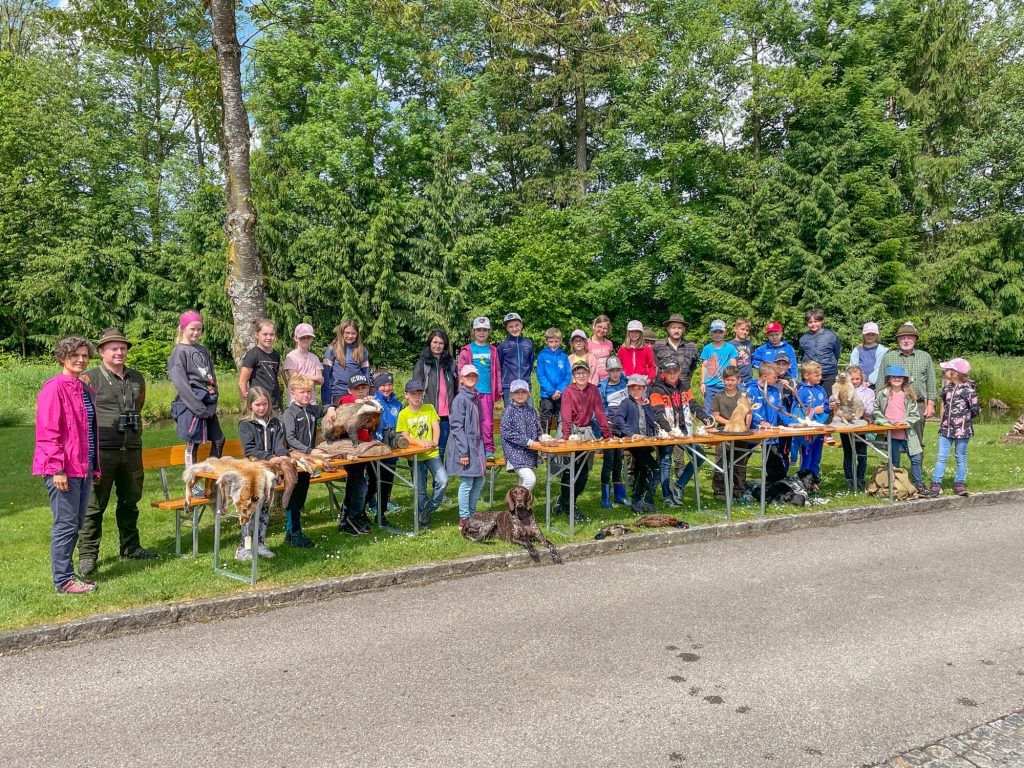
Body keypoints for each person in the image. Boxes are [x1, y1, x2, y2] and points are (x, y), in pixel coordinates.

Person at [77, 328, 155, 577]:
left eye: (122, 348)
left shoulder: (136, 378)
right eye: (113, 348)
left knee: (130, 502)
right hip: (102, 451)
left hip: (131, 449)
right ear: (101, 352)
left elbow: (139, 405)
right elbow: (81, 415)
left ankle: (131, 547)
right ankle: (88, 555)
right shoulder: (89, 379)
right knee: (94, 506)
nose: (119, 352)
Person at [33, 335, 100, 594]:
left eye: (85, 355)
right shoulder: (54, 388)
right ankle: (63, 581)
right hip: (63, 470)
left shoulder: (82, 387)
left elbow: (87, 433)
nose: (81, 360)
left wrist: (93, 468)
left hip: (82, 468)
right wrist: (56, 468)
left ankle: (68, 575)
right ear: (63, 357)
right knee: (65, 524)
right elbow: (48, 431)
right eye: (76, 355)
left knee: (76, 522)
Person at [168, 311, 224, 478]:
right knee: (193, 444)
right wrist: (198, 408)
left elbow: (211, 376)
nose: (195, 333)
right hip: (192, 405)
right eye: (192, 329)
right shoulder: (179, 352)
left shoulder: (202, 350)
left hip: (208, 402)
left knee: (219, 440)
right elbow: (181, 384)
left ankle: (210, 475)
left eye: (199, 329)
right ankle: (192, 481)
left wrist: (214, 398)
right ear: (183, 329)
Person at [649, 359, 712, 506]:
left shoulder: (684, 386)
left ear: (678, 371)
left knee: (700, 455)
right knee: (665, 462)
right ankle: (667, 496)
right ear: (663, 373)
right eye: (668, 372)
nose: (672, 375)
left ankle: (678, 486)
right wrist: (670, 430)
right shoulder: (656, 389)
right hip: (666, 431)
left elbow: (693, 405)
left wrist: (706, 419)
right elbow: (658, 413)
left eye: (674, 372)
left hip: (684, 430)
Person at [556, 360, 612, 520]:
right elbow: (566, 416)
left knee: (584, 473)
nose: (581, 375)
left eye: (584, 372)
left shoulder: (593, 390)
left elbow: (600, 413)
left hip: (586, 432)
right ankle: (569, 506)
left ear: (589, 374)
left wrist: (607, 434)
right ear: (573, 375)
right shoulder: (568, 391)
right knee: (569, 470)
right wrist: (565, 437)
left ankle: (565, 501)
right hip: (570, 430)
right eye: (578, 373)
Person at [281, 374, 332, 546]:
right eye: (302, 392)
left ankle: (291, 534)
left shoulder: (310, 410)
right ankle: (295, 533)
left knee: (301, 496)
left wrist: (331, 409)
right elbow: (291, 438)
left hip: (308, 461)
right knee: (294, 497)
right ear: (293, 393)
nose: (306, 396)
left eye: (309, 392)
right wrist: (310, 450)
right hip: (295, 460)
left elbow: (325, 408)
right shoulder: (289, 413)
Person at [236, 386, 287, 560]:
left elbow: (280, 444)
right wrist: (268, 457)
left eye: (265, 404)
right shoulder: (245, 424)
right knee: (250, 508)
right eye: (257, 405)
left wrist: (281, 455)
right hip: (253, 471)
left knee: (265, 507)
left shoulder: (276, 422)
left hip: (270, 470)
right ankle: (244, 547)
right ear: (250, 405)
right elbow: (250, 449)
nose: (261, 408)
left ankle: (260, 544)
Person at [880, 322, 937, 462]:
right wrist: (881, 406)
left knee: (916, 442)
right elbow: (881, 382)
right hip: (892, 404)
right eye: (902, 338)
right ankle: (894, 475)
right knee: (892, 442)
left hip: (917, 405)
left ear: (915, 339)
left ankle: (917, 477)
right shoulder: (889, 357)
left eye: (909, 337)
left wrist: (930, 404)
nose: (906, 340)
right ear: (898, 340)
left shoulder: (925, 357)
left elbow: (931, 382)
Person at [397, 379, 448, 528]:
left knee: (443, 480)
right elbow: (405, 436)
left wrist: (434, 442)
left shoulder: (429, 408)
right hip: (415, 456)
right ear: (406, 395)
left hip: (431, 453)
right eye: (413, 394)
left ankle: (429, 507)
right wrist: (420, 443)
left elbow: (436, 427)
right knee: (420, 490)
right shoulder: (403, 414)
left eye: (420, 393)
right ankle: (422, 520)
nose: (417, 397)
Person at [926, 358, 980, 498]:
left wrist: (963, 420)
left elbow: (975, 410)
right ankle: (936, 484)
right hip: (945, 429)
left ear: (955, 373)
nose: (945, 371)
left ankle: (959, 484)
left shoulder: (969, 390)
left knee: (960, 456)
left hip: (962, 430)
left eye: (947, 370)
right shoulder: (946, 389)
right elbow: (944, 404)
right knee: (941, 456)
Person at [610, 374, 661, 514]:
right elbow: (618, 421)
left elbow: (652, 421)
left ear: (644, 389)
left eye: (639, 389)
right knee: (656, 469)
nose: (636, 392)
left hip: (645, 443)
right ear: (629, 390)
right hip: (635, 444)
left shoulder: (645, 404)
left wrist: (647, 407)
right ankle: (647, 500)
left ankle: (636, 501)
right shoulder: (626, 403)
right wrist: (631, 434)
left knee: (641, 471)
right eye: (633, 389)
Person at [446, 365, 487, 524]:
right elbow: (456, 427)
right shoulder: (460, 399)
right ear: (461, 379)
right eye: (467, 375)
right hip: (465, 447)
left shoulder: (474, 397)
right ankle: (464, 517)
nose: (471, 378)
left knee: (479, 480)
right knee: (467, 482)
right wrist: (463, 452)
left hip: (476, 447)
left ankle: (472, 513)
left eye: (474, 376)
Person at [874, 364, 923, 489]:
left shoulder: (909, 395)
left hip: (907, 433)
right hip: (891, 434)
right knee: (894, 461)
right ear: (888, 379)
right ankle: (895, 486)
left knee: (916, 458)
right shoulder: (882, 394)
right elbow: (876, 410)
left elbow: (914, 414)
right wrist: (885, 423)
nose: (897, 379)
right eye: (894, 376)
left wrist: (905, 422)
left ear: (904, 379)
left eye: (900, 377)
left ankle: (918, 484)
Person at [337, 373, 375, 534]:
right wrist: (359, 401)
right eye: (357, 389)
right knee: (358, 485)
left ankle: (352, 515)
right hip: (349, 450)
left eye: (363, 388)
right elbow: (344, 402)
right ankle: (353, 517)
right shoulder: (347, 402)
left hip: (365, 450)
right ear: (350, 390)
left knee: (369, 481)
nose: (360, 391)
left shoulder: (370, 404)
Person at [458, 317, 501, 458]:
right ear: (474, 331)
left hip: (487, 391)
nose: (481, 333)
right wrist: (462, 391)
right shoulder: (467, 350)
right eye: (478, 330)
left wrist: (498, 391)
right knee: (470, 421)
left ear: (488, 332)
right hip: (471, 392)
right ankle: (471, 448)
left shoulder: (493, 350)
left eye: (484, 330)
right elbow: (461, 371)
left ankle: (489, 449)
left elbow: (497, 371)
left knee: (487, 422)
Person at [412, 329, 458, 458]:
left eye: (441, 343)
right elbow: (415, 389)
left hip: (445, 416)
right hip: (427, 414)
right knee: (425, 452)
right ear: (429, 343)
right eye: (435, 342)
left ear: (445, 345)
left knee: (440, 452)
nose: (437, 346)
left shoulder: (451, 363)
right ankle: (422, 478)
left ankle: (438, 479)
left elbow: (456, 387)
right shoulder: (422, 364)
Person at [710, 366, 752, 501]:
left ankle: (739, 491)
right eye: (727, 380)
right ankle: (719, 491)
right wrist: (731, 422)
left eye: (733, 380)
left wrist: (745, 428)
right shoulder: (719, 396)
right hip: (724, 431)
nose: (730, 383)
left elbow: (749, 413)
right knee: (721, 461)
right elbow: (715, 415)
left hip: (740, 433)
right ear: (723, 380)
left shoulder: (743, 395)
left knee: (740, 463)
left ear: (738, 380)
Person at [366, 371, 402, 525]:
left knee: (387, 485)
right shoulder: (372, 402)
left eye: (389, 385)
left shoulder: (397, 403)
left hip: (392, 450)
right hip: (376, 450)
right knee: (374, 484)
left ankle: (381, 515)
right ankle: (357, 511)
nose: (387, 388)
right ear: (377, 386)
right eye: (383, 385)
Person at [833, 365, 875, 491]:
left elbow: (870, 407)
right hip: (846, 425)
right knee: (848, 453)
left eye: (857, 379)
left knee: (862, 453)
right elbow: (833, 399)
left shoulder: (868, 392)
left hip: (860, 424)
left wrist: (859, 408)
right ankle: (849, 480)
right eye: (852, 379)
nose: (855, 381)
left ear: (861, 378)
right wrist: (835, 402)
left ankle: (860, 479)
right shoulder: (840, 387)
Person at [598, 356, 629, 508]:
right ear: (607, 371)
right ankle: (605, 498)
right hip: (608, 427)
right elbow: (599, 409)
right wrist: (605, 424)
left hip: (622, 425)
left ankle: (619, 495)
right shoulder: (602, 387)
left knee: (619, 460)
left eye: (618, 370)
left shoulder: (627, 382)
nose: (615, 373)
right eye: (612, 371)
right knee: (608, 461)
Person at [500, 379, 542, 490]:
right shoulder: (508, 411)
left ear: (528, 394)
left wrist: (543, 439)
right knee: (530, 480)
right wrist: (528, 442)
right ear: (511, 395)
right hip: (514, 453)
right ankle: (517, 502)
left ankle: (519, 507)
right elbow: (506, 432)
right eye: (516, 392)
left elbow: (537, 430)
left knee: (522, 482)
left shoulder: (531, 411)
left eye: (523, 392)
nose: (520, 395)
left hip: (529, 454)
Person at [793, 361, 830, 482]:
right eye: (817, 375)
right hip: (807, 431)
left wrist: (832, 407)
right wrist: (813, 411)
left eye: (820, 375)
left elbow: (825, 407)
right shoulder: (801, 391)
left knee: (816, 458)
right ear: (806, 375)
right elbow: (796, 412)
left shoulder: (821, 390)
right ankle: (804, 483)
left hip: (819, 429)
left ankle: (814, 482)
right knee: (806, 458)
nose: (820, 377)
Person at [323, 319, 371, 404]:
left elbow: (366, 376)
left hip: (356, 394)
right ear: (341, 333)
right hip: (338, 393)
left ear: (357, 334)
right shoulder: (332, 349)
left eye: (353, 333)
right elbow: (326, 377)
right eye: (347, 333)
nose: (350, 336)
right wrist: (326, 402)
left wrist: (367, 394)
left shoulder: (362, 351)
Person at [238, 317, 283, 409]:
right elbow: (242, 382)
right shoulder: (252, 355)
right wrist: (248, 402)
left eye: (272, 334)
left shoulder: (276, 354)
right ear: (257, 335)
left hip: (275, 402)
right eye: (265, 334)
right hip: (259, 403)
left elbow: (274, 377)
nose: (269, 337)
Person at [652, 313, 700, 392]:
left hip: (684, 389)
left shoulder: (692, 347)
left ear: (684, 329)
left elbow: (692, 369)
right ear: (668, 329)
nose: (676, 331)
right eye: (673, 327)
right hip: (663, 389)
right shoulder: (658, 346)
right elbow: (654, 367)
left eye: (679, 328)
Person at [797, 309, 841, 395]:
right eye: (810, 322)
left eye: (816, 321)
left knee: (830, 401)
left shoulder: (831, 336)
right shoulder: (803, 338)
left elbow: (836, 354)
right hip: (810, 376)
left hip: (829, 375)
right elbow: (802, 354)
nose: (813, 324)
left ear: (822, 321)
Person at [536, 328, 571, 435]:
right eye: (551, 341)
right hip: (547, 395)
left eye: (556, 341)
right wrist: (551, 391)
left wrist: (560, 390)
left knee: (561, 420)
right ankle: (545, 447)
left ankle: (561, 444)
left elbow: (568, 375)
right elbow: (540, 375)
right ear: (546, 341)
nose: (553, 344)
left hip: (561, 395)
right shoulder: (542, 355)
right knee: (545, 421)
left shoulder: (564, 357)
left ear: (560, 341)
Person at [497, 312, 534, 408]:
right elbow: (499, 365)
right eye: (510, 326)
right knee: (510, 414)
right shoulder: (503, 345)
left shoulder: (528, 343)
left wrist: (526, 378)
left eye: (517, 325)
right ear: (507, 328)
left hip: (525, 384)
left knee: (529, 411)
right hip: (508, 385)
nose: (514, 329)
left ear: (521, 325)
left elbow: (530, 363)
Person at [700, 318, 738, 406]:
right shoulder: (707, 348)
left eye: (720, 332)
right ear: (711, 333)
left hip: (725, 384)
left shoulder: (730, 348)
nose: (718, 335)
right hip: (710, 385)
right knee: (709, 410)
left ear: (725, 332)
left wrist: (733, 382)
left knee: (726, 408)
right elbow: (704, 366)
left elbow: (733, 366)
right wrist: (702, 383)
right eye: (715, 332)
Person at [283, 323, 323, 405]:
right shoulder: (291, 356)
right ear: (296, 338)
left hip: (311, 400)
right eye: (302, 337)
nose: (306, 340)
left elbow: (320, 380)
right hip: (295, 401)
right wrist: (313, 378)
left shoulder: (314, 358)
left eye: (308, 337)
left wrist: (302, 376)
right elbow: (295, 379)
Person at [848, 322, 888, 388]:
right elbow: (853, 367)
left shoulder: (881, 350)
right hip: (858, 383)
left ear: (876, 335)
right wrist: (860, 381)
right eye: (867, 334)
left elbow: (879, 367)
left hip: (876, 383)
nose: (870, 337)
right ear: (863, 335)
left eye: (872, 334)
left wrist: (870, 381)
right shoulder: (857, 350)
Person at [588, 315, 615, 381]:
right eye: (599, 327)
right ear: (594, 326)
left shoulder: (609, 343)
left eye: (605, 328)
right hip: (592, 379)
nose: (602, 330)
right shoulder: (586, 343)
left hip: (607, 379)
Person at [731, 318, 755, 383]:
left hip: (749, 379)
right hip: (736, 379)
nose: (745, 332)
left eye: (747, 330)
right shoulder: (730, 345)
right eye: (742, 329)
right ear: (735, 329)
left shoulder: (750, 344)